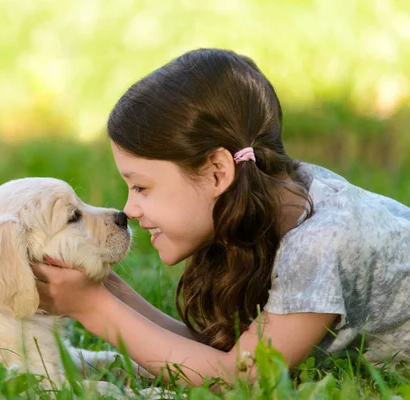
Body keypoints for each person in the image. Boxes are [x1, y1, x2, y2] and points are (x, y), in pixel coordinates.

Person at [31, 48, 410, 385]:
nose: (129, 209)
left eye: (141, 188)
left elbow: (241, 378)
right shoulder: (282, 193)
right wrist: (109, 291)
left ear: (217, 172)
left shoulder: (321, 242)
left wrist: (92, 308)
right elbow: (211, 357)